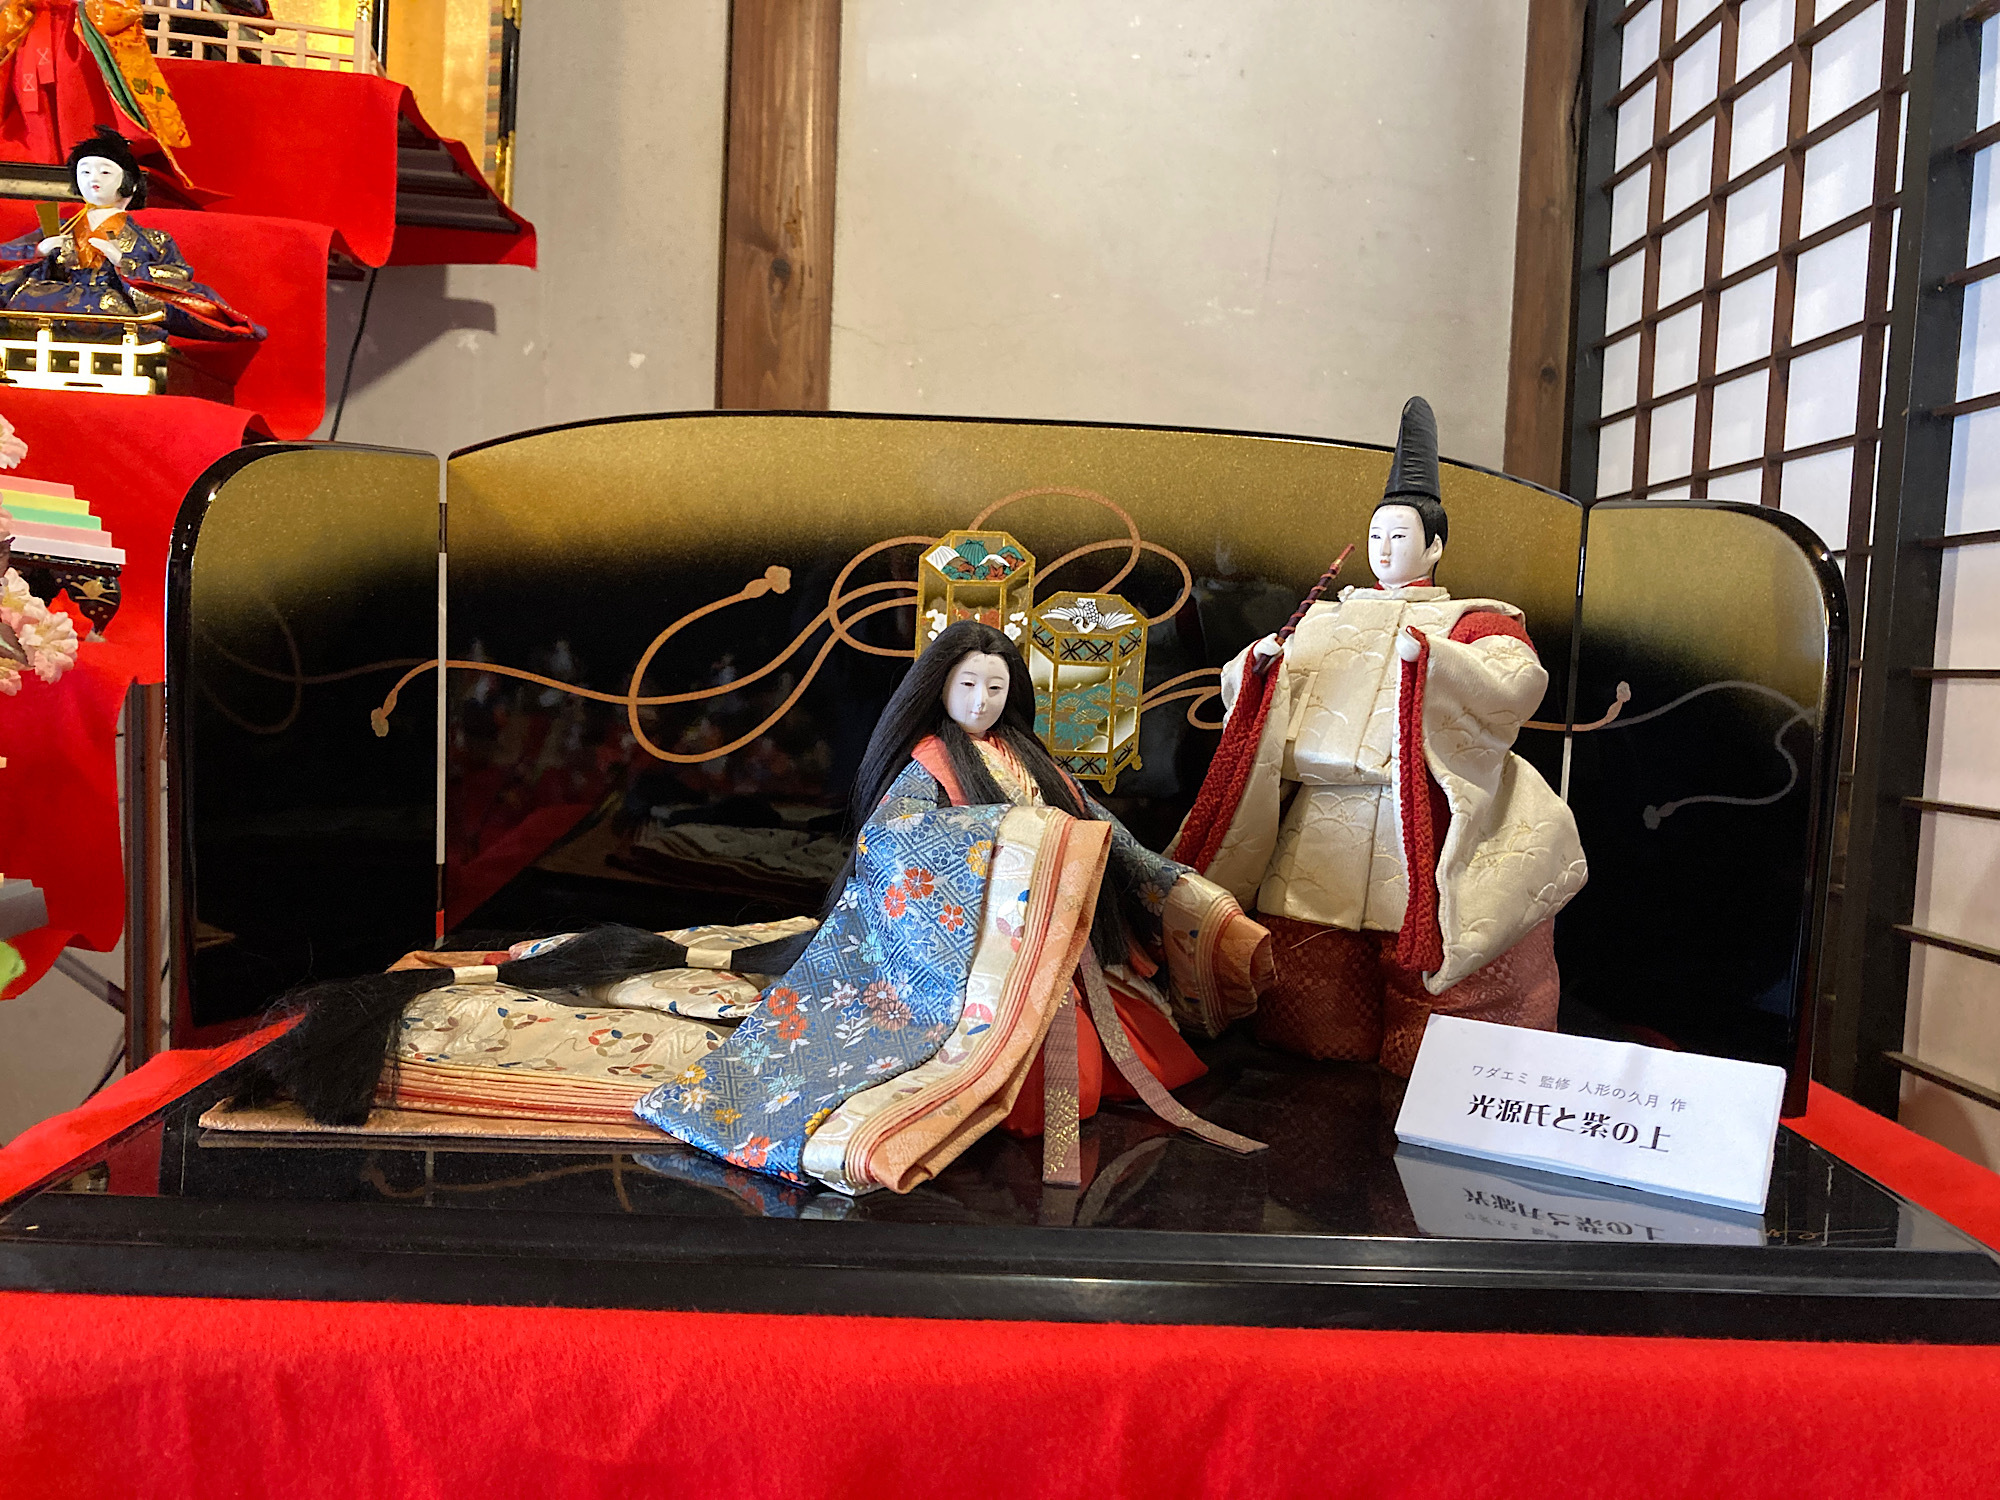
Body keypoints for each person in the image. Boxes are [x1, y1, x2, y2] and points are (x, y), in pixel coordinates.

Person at [640, 620, 1272, 1191]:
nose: (980, 701)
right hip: (981, 960)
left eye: (995, 688)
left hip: (1058, 948)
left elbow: (1107, 831)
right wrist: (1019, 838)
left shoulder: (1031, 757)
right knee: (1037, 1085)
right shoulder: (930, 763)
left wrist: (1179, 888)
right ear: (940, 687)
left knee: (1141, 1055)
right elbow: (890, 841)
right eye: (967, 685)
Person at [1175, 396, 1587, 1075]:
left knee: (1429, 946)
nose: (1385, 548)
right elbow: (1244, 687)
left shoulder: (1474, 621)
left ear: (1435, 546)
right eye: (1376, 536)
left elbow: (1516, 682)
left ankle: (1432, 1069)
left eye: (1400, 535)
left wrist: (1437, 661)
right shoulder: (1323, 618)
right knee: (1311, 957)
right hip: (1322, 811)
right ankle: (1314, 1064)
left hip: (1418, 806)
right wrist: (1256, 665)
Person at [0, 127, 263, 340]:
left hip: (115, 303)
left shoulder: (154, 239)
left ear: (130, 183)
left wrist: (124, 262)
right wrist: (38, 251)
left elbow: (178, 275)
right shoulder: (56, 226)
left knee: (115, 305)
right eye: (85, 171)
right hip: (54, 300)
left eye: (105, 171)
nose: (94, 178)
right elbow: (6, 259)